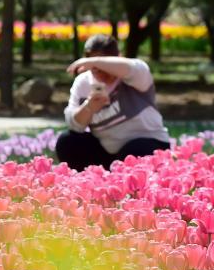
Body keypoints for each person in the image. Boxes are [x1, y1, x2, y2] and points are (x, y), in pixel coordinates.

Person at [56, 34, 171, 171]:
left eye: (102, 66)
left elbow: (133, 67)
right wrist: (89, 107)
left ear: (117, 57)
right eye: (94, 68)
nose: (99, 73)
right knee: (68, 141)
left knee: (133, 152)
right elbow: (75, 125)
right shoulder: (83, 83)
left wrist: (95, 61)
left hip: (148, 144)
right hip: (109, 153)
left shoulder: (135, 74)